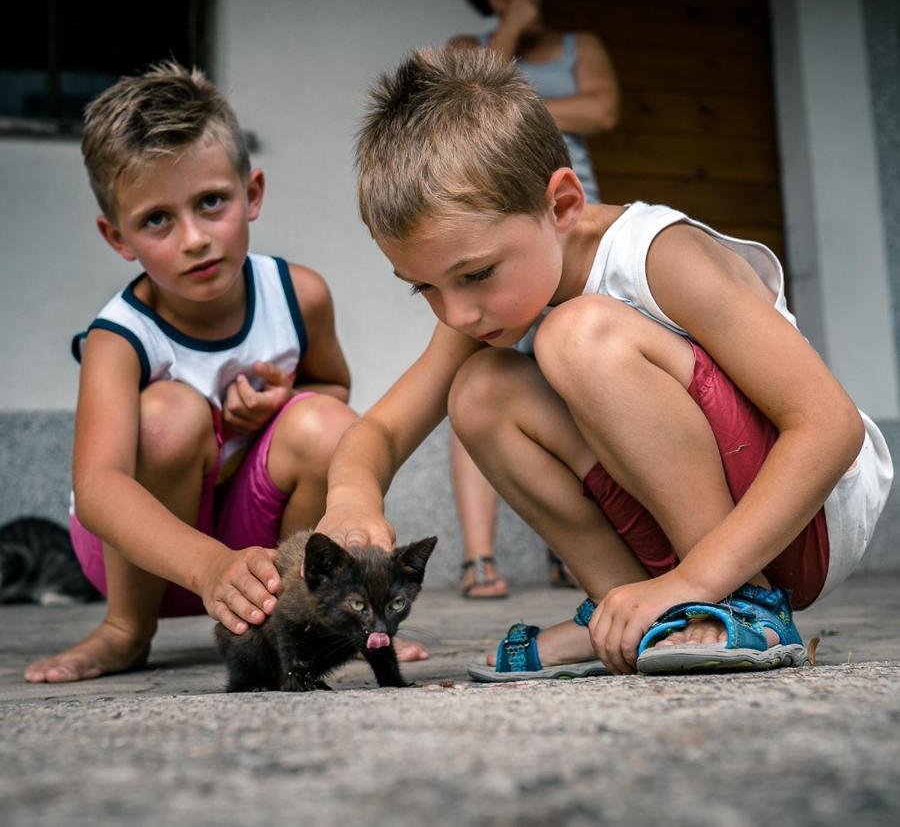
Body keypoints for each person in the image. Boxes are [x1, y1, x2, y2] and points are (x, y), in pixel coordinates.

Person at [317, 45, 892, 679]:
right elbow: (381, 431)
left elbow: (828, 426)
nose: (455, 315)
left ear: (561, 204)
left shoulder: (657, 255)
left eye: (476, 274)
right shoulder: (486, 309)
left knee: (576, 335)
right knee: (478, 390)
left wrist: (699, 575)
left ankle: (739, 602)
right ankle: (626, 613)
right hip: (699, 538)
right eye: (422, 287)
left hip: (803, 521)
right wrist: (351, 499)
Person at [22, 62, 427, 684]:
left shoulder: (299, 295)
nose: (193, 239)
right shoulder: (119, 338)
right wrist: (209, 565)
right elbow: (99, 488)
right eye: (157, 219)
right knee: (168, 417)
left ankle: (320, 619)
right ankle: (126, 630)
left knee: (325, 422)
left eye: (211, 202)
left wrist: (283, 403)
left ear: (252, 193)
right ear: (117, 236)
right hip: (148, 559)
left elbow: (332, 387)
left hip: (254, 554)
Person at [448, 0, 620, 597]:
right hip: (491, 225)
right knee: (478, 372)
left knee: (575, 375)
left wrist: (514, 111)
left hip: (574, 224)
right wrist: (509, 35)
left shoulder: (585, 48)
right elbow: (468, 107)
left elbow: (603, 110)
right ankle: (479, 558)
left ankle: (571, 549)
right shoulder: (470, 49)